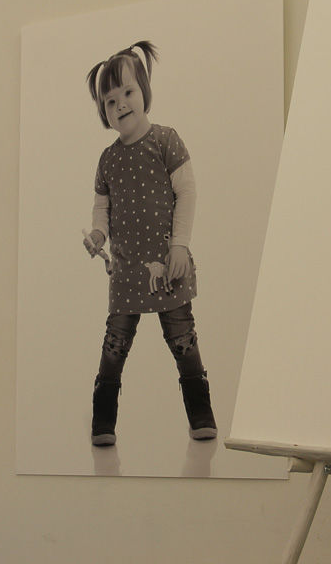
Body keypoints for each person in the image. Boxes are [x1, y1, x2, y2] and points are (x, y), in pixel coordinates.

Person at [82, 41, 217, 446]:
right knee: (114, 346)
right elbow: (101, 207)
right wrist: (97, 235)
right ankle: (103, 422)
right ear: (103, 111)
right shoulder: (108, 160)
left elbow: (187, 193)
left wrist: (179, 245)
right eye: (110, 101)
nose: (120, 104)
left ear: (143, 91)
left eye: (127, 92)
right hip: (126, 273)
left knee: (183, 340)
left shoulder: (165, 141)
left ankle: (201, 415)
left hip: (168, 268)